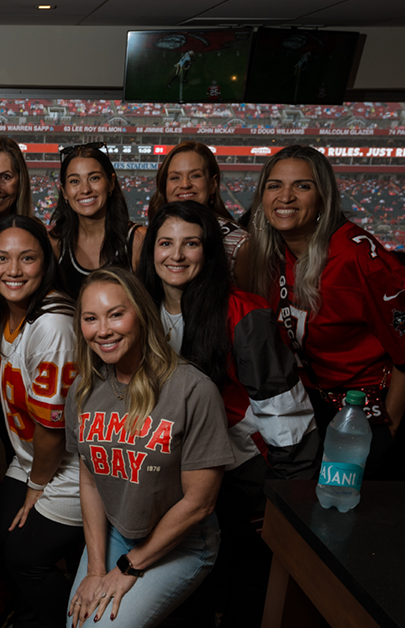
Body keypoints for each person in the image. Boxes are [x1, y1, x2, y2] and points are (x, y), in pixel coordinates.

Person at [136, 200, 318, 627]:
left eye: (191, 244)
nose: (176, 255)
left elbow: (287, 417)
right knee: (187, 587)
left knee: (245, 583)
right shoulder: (139, 307)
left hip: (244, 472)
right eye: (165, 243)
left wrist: (291, 502)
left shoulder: (243, 311)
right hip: (175, 472)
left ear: (210, 251)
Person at [64, 267, 233, 628]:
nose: (103, 330)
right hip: (114, 533)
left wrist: (128, 567)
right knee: (77, 624)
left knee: (104, 627)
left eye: (116, 314)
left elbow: (200, 503)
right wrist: (96, 570)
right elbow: (91, 481)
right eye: (91, 318)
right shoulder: (83, 389)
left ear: (140, 314)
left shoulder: (192, 390)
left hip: (183, 542)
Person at [244, 145, 405, 475]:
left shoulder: (359, 258)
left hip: (362, 410)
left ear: (323, 197)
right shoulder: (268, 253)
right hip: (307, 404)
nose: (285, 197)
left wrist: (391, 425)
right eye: (274, 185)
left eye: (302, 185)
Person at [0, 215, 82, 628]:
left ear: (47, 260)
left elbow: (53, 430)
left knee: (24, 554)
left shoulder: (53, 324)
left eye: (27, 258)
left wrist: (36, 491)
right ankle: (29, 619)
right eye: (1, 258)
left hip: (72, 468)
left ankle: (79, 621)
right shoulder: (2, 312)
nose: (14, 270)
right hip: (29, 461)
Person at [147, 142, 251, 286]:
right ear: (164, 187)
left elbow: (252, 303)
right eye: (175, 178)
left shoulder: (239, 244)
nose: (185, 184)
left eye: (195, 176)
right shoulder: (152, 233)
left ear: (213, 184)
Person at [49, 144, 142, 297]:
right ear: (64, 192)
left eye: (94, 178)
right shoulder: (55, 244)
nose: (85, 189)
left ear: (111, 182)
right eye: (74, 181)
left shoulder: (137, 240)